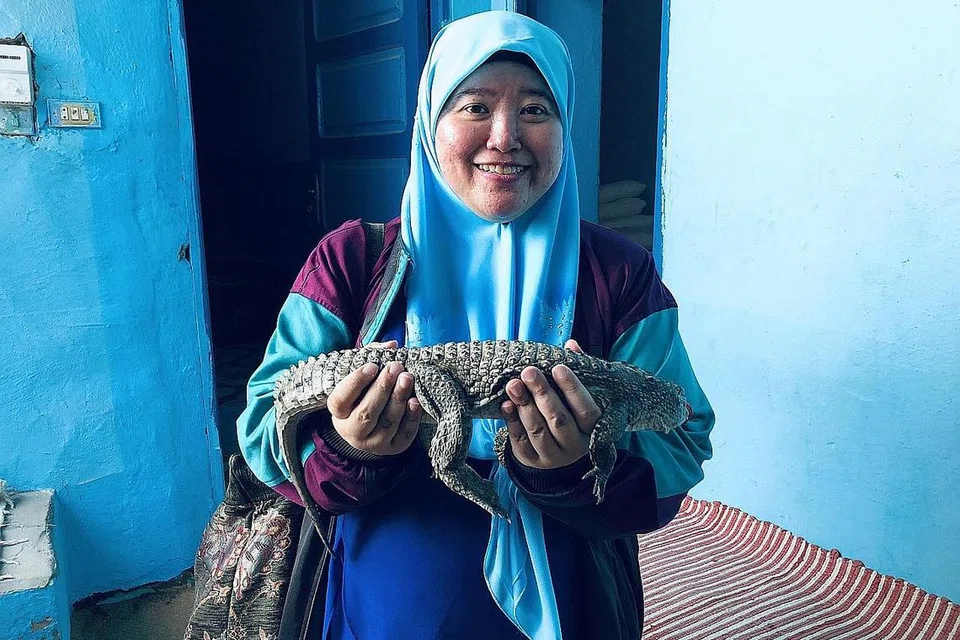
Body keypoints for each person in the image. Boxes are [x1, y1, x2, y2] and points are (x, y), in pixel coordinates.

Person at [237, 11, 714, 640]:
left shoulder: (619, 275)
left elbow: (683, 442)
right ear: (432, 122)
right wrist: (350, 450)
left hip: (572, 584)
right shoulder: (350, 261)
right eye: (473, 106)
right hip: (384, 589)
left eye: (537, 110)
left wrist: (569, 467)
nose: (504, 137)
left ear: (565, 124)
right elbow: (265, 436)